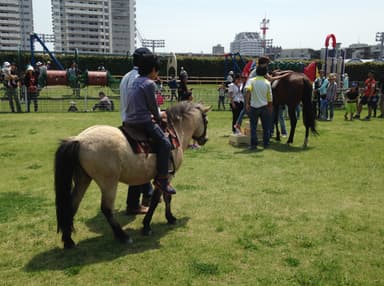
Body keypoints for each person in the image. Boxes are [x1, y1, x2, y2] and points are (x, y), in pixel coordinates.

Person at [123, 51, 176, 196]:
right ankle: (162, 180)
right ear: (153, 69)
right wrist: (162, 115)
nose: (157, 73)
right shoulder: (149, 84)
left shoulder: (136, 81)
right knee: (165, 143)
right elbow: (153, 109)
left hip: (129, 121)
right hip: (143, 122)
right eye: (157, 70)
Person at [120, 47, 153, 215]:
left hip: (126, 121)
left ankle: (148, 192)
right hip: (138, 123)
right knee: (140, 161)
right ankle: (136, 201)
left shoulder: (126, 76)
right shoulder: (140, 78)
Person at [245, 66, 273, 150]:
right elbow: (270, 96)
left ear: (256, 72)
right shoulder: (267, 83)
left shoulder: (251, 81)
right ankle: (266, 144)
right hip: (264, 107)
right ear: (265, 73)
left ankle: (254, 145)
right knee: (266, 127)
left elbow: (248, 92)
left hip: (254, 107)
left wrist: (247, 103)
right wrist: (270, 107)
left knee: (253, 127)